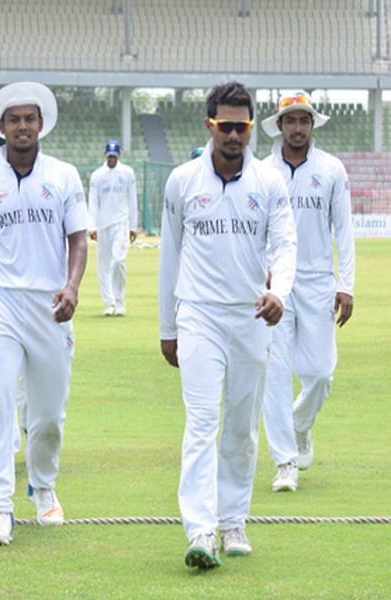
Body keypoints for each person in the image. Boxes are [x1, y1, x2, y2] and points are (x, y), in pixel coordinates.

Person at [159, 81, 297, 570]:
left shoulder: (269, 183)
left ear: (250, 128)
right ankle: (200, 530)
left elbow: (284, 246)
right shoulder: (182, 181)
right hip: (197, 314)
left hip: (250, 316)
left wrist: (278, 291)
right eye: (226, 126)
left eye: (241, 126)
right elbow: (170, 255)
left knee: (239, 427)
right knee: (201, 423)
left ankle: (233, 519)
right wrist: (167, 327)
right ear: (209, 125)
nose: (234, 135)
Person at [0, 82, 88, 546]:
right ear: (1, 128)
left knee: (49, 415)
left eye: (29, 118)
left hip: (50, 306)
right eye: (13, 120)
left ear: (41, 124)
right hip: (0, 304)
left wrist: (71, 286)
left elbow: (78, 239)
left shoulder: (65, 176)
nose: (22, 126)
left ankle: (43, 484)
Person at [260, 91, 355, 492]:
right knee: (277, 373)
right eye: (290, 120)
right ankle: (285, 461)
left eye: (304, 120)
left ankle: (299, 425)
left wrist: (345, 285)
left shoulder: (331, 169)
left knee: (319, 373)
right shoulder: (263, 171)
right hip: (276, 284)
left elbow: (344, 230)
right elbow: (256, 229)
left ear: (312, 124)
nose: (297, 127)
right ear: (279, 125)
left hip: (318, 281)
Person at [87, 139, 138, 316]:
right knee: (103, 265)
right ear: (105, 155)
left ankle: (120, 301)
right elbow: (93, 202)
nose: (112, 160)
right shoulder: (97, 175)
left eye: (114, 157)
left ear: (119, 156)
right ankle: (109, 303)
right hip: (102, 225)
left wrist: (133, 226)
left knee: (118, 261)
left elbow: (132, 200)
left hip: (121, 223)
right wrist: (91, 226)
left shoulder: (127, 173)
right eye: (109, 156)